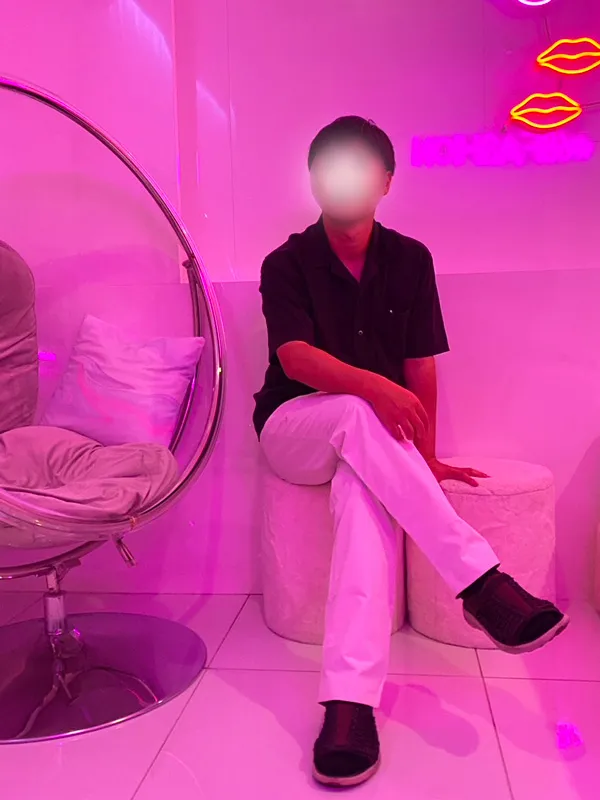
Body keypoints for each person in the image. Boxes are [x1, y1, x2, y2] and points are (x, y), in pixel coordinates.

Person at [253, 116, 568, 788]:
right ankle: (481, 583)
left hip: (366, 442)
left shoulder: (410, 260)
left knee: (364, 498)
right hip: (293, 427)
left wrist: (423, 459)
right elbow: (295, 357)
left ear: (386, 181)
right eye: (330, 167)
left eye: (359, 167)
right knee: (352, 409)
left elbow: (421, 366)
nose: (343, 180)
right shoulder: (286, 262)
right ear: (313, 180)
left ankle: (349, 706)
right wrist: (373, 385)